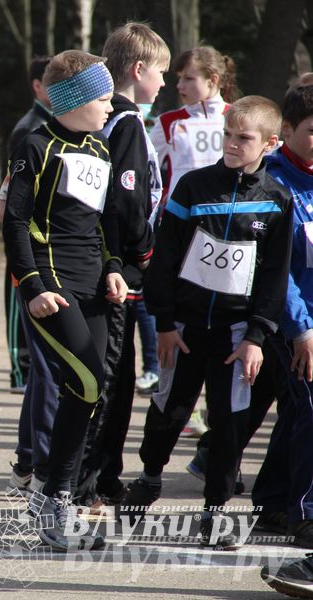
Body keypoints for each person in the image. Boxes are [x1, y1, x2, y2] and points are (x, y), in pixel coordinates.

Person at [120, 96, 292, 550]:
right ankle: (150, 478)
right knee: (168, 412)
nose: (233, 145)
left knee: (229, 424)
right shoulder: (194, 187)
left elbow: (275, 275)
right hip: (185, 330)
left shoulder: (276, 200)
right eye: (228, 135)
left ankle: (215, 510)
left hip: (237, 337)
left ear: (269, 144)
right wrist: (164, 321)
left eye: (244, 138)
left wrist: (257, 335)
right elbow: (166, 255)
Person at [3, 49, 127, 551]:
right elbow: (13, 222)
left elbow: (107, 219)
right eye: (102, 97)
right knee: (88, 379)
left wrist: (115, 268)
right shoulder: (35, 145)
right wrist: (31, 287)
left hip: (94, 281)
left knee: (92, 390)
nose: (110, 106)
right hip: (51, 282)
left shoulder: (100, 149)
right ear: (74, 100)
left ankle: (55, 497)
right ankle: (54, 498)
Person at [74, 22, 169, 509]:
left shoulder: (109, 120)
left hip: (106, 264)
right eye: (159, 73)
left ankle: (105, 475)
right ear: (137, 70)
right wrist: (142, 253)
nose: (164, 84)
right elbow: (128, 201)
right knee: (109, 380)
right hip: (119, 270)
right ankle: (83, 483)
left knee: (122, 375)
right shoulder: (126, 122)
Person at [149, 46, 237, 435]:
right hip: (181, 232)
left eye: (188, 78)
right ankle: (172, 405)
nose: (179, 85)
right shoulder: (167, 122)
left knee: (221, 322)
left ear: (213, 81)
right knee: (180, 321)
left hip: (230, 236)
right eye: (179, 77)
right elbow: (152, 179)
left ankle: (216, 422)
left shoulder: (237, 116)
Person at [251, 83, 313, 549]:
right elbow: (277, 271)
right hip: (288, 322)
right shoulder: (274, 184)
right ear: (286, 130)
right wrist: (301, 328)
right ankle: (304, 513)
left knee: (297, 409)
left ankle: (271, 500)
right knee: (308, 407)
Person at [0, 56, 51, 400]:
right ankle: (21, 368)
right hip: (23, 227)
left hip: (44, 234)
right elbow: (11, 187)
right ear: (37, 87)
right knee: (19, 297)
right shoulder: (28, 128)